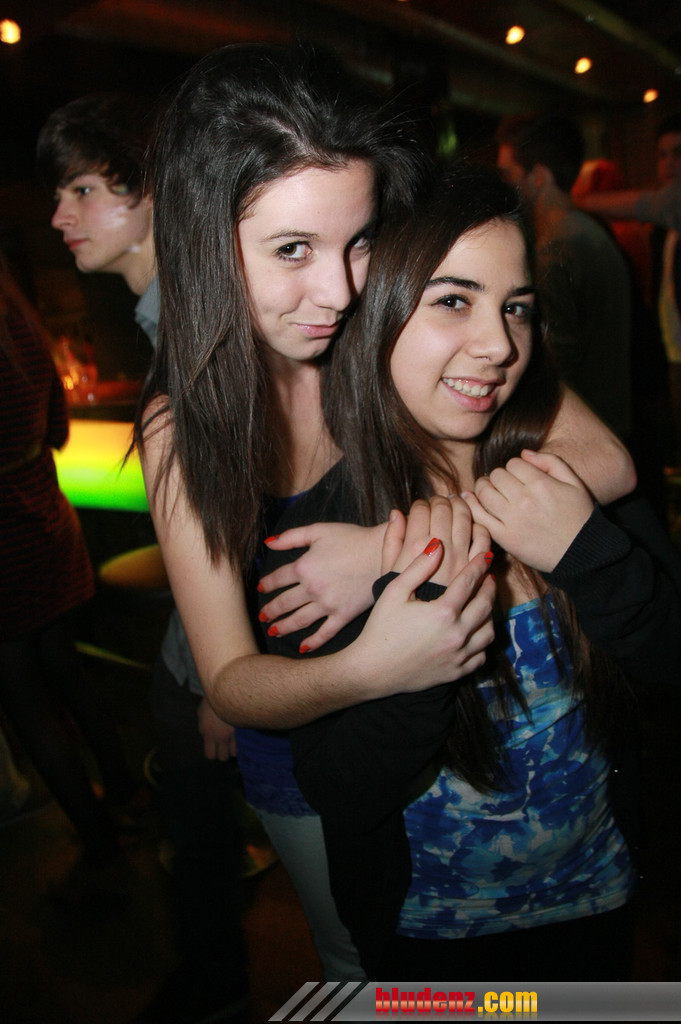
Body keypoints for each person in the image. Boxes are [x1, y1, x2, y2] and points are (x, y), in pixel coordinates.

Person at [137, 42, 635, 983]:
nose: (338, 290)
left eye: (359, 240)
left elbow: (604, 463)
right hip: (312, 749)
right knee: (356, 961)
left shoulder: (383, 318)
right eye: (292, 249)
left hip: (476, 760)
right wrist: (372, 667)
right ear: (206, 239)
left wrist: (386, 548)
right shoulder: (185, 422)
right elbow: (233, 679)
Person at [259, 165, 681, 980]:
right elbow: (339, 789)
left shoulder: (564, 478)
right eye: (453, 300)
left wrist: (585, 554)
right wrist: (408, 668)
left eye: (515, 306)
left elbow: (669, 654)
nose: (499, 345)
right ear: (374, 311)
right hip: (433, 943)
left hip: (598, 901)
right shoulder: (329, 536)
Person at [37, 92, 251, 1021]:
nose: (60, 215)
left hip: (209, 659)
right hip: (205, 650)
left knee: (201, 844)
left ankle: (213, 993)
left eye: (84, 189)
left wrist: (219, 682)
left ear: (154, 191)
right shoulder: (172, 313)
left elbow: (238, 515)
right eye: (60, 193)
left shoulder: (194, 325)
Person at [0, 256, 140, 876]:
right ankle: (126, 796)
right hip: (47, 521)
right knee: (67, 671)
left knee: (24, 700)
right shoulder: (18, 315)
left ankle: (100, 844)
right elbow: (58, 429)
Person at [496, 113, 632, 440]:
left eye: (509, 173)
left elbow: (557, 368)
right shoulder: (592, 232)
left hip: (584, 435)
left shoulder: (555, 252)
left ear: (538, 176)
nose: (504, 184)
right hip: (614, 422)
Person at [574, 113, 681, 464]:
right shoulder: (658, 227)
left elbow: (650, 204)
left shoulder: (662, 212)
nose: (668, 163)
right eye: (662, 155)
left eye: (678, 153)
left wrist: (572, 201)